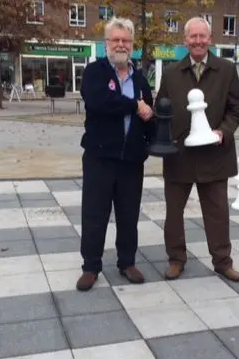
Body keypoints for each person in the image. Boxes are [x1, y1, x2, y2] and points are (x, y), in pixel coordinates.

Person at [155, 16, 239, 282]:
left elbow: (236, 109)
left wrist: (223, 132)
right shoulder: (171, 73)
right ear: (185, 41)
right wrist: (162, 139)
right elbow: (162, 109)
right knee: (173, 213)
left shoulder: (226, 70)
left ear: (210, 39)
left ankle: (222, 261)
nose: (197, 41)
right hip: (179, 156)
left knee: (217, 213)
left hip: (215, 155)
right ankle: (176, 259)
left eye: (202, 36)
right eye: (192, 37)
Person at [76, 17, 155, 291]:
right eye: (115, 40)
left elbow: (149, 115)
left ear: (132, 45)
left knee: (128, 214)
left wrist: (153, 138)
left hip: (131, 160)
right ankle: (91, 266)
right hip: (99, 157)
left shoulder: (141, 78)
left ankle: (127, 261)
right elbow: (100, 103)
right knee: (95, 213)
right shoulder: (95, 71)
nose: (120, 45)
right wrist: (135, 106)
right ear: (106, 43)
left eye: (126, 40)